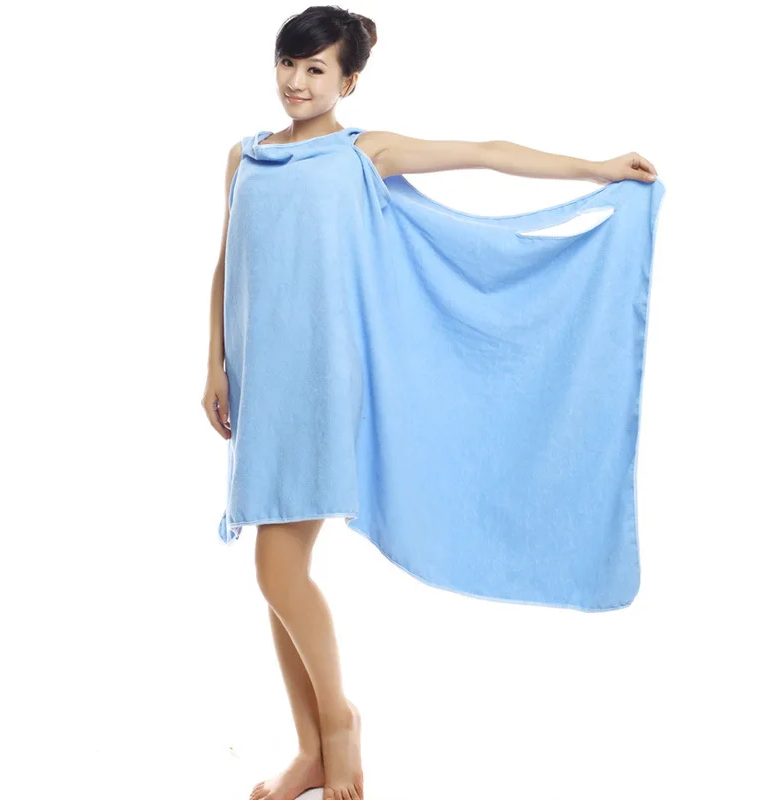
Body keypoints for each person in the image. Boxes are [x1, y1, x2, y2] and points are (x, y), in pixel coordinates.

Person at [202, 7, 658, 800]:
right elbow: (226, 260)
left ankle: (338, 725)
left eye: (316, 68)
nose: (296, 81)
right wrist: (215, 361)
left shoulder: (360, 154)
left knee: (277, 567)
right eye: (287, 63)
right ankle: (309, 748)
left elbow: (484, 151)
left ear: (348, 81)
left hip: (323, 380)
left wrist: (594, 169)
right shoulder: (243, 158)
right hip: (260, 379)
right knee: (279, 570)